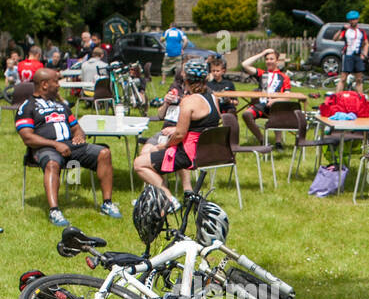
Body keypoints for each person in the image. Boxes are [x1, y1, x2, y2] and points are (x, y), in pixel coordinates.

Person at [16, 67, 121, 226]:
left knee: (104, 153)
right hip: (45, 148)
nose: (59, 85)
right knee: (52, 163)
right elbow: (27, 137)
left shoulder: (61, 105)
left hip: (70, 146)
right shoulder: (27, 107)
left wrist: (79, 135)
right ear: (44, 84)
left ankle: (107, 203)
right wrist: (55, 144)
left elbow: (76, 127)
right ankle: (54, 211)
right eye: (55, 81)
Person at [133, 57, 220, 195]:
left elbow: (179, 134)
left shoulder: (189, 102)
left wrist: (164, 146)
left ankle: (168, 199)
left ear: (186, 79)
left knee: (139, 163)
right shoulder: (213, 98)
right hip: (206, 151)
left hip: (188, 154)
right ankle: (168, 197)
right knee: (151, 156)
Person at [240, 47, 292, 146]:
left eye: (271, 59)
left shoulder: (284, 77)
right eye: (267, 59)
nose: (268, 61)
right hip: (262, 105)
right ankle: (262, 140)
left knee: (278, 110)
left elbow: (287, 97)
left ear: (277, 61)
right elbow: (245, 64)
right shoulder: (262, 74)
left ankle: (278, 142)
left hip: (276, 106)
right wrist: (262, 53)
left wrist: (275, 100)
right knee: (246, 114)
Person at [337, 10, 368, 94]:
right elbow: (335, 38)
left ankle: (361, 98)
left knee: (359, 79)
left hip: (357, 55)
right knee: (343, 78)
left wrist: (364, 54)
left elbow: (366, 43)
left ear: (357, 20)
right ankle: (337, 97)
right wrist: (341, 29)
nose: (352, 21)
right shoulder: (346, 31)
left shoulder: (361, 31)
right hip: (348, 55)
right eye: (351, 20)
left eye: (354, 19)